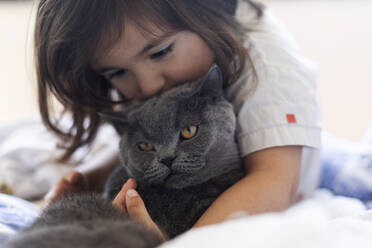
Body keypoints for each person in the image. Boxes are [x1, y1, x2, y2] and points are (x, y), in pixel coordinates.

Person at [35, 0, 321, 237]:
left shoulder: (267, 67)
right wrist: (90, 178)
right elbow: (150, 137)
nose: (147, 86)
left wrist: (179, 244)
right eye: (117, 73)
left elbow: (273, 181)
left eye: (160, 52)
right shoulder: (166, 64)